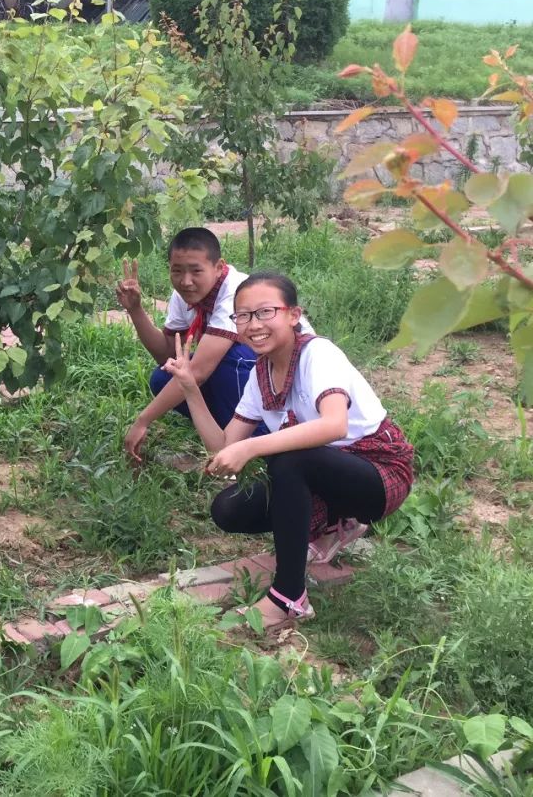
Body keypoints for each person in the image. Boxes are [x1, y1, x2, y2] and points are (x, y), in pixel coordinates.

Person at [164, 271, 414, 628]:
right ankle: (334, 523)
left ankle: (289, 597)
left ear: (293, 315)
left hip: (378, 473)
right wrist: (190, 389)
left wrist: (252, 447)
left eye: (266, 312)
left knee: (289, 458)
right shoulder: (260, 373)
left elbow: (333, 425)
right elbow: (222, 446)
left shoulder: (318, 353)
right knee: (229, 510)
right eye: (244, 316)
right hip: (327, 473)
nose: (254, 325)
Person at [120, 227, 312, 463]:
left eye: (196, 271)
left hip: (293, 384)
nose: (186, 281)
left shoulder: (235, 292)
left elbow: (199, 372)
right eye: (177, 271)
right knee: (164, 378)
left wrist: (143, 420)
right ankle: (223, 439)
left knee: (225, 360)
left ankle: (263, 446)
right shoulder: (183, 295)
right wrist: (136, 310)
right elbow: (168, 353)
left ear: (219, 267)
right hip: (258, 377)